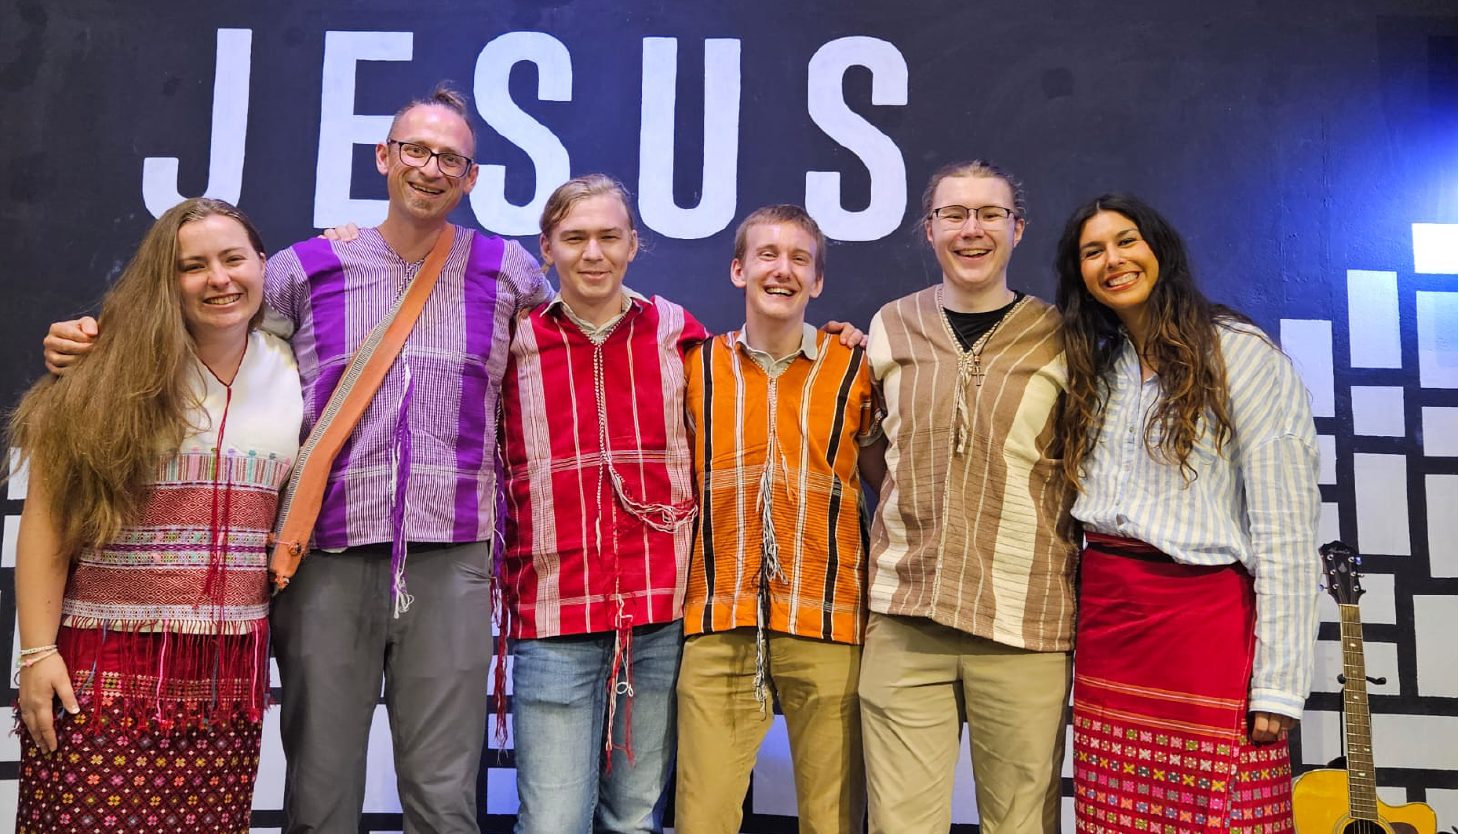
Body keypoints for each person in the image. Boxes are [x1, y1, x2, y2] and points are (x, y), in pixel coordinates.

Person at [41, 84, 551, 834]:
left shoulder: (510, 272)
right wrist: (92, 337)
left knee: (445, 799)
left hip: (453, 558)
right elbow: (199, 322)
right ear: (384, 157)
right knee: (319, 791)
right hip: (325, 557)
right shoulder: (307, 266)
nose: (431, 168)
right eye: (415, 150)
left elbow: (580, 340)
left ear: (471, 177)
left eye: (451, 157)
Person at [13, 198, 301, 834]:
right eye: (192, 266)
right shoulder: (105, 368)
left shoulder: (297, 364)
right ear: (164, 281)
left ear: (263, 265)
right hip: (101, 662)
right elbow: (47, 522)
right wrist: (36, 654)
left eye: (233, 259)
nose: (219, 279)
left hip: (228, 678)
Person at [1053, 193, 1320, 834]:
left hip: (1205, 629)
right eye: (1093, 252)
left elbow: (1286, 530)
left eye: (1126, 242)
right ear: (1079, 274)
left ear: (1160, 251)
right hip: (1109, 626)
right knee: (1112, 817)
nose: (1112, 261)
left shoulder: (1242, 356)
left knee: (1219, 816)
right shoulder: (1098, 366)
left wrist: (1279, 684)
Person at [858, 159, 1076, 834]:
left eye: (989, 214)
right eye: (953, 214)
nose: (970, 229)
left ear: (1017, 230)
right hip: (904, 616)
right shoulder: (891, 326)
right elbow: (871, 449)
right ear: (929, 230)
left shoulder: (1060, 337)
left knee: (1018, 825)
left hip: (1023, 622)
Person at [496, 173, 706, 833]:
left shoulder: (677, 332)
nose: (593, 253)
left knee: (633, 819)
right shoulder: (513, 343)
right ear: (547, 248)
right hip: (554, 617)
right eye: (575, 237)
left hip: (660, 616)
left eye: (608, 237)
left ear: (633, 245)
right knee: (552, 823)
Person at [675, 204, 882, 834]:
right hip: (719, 618)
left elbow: (890, 488)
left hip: (828, 617)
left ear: (817, 282)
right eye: (767, 254)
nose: (782, 270)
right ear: (739, 270)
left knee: (833, 821)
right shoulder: (690, 369)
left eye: (800, 259)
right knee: (702, 819)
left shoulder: (858, 370)